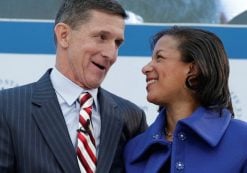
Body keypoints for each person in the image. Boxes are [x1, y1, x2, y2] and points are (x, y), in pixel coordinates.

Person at [0, 0, 148, 173]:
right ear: (64, 35)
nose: (111, 54)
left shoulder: (131, 117)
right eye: (101, 37)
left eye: (117, 43)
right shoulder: (7, 107)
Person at [124, 26, 247, 173]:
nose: (146, 68)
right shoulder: (133, 150)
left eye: (160, 58)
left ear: (193, 69)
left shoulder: (242, 141)